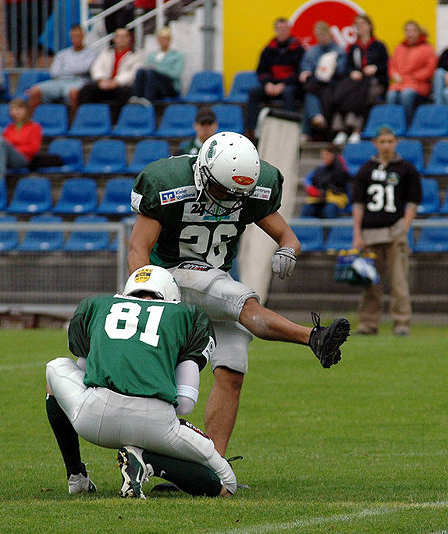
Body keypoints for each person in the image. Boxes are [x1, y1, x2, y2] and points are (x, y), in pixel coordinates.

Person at [128, 131, 350, 456]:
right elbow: (138, 247)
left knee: (233, 366)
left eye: (237, 193)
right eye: (221, 189)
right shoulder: (168, 183)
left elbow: (288, 236)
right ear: (204, 171)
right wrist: (146, 293)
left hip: (216, 278)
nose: (228, 199)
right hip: (170, 278)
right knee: (237, 297)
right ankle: (312, 337)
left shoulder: (248, 188)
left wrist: (287, 250)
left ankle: (213, 467)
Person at [45, 265, 237, 498]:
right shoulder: (187, 315)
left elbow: (84, 375)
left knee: (55, 368)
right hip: (156, 422)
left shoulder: (97, 306)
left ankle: (76, 477)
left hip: (95, 421)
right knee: (227, 483)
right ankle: (147, 459)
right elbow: (185, 403)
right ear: (170, 295)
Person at [351, 125, 421, 336]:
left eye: (390, 141)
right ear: (375, 144)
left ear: (396, 143)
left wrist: (404, 227)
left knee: (399, 281)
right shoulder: (366, 170)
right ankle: (368, 323)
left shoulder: (406, 169)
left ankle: (401, 323)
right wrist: (357, 234)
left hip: (394, 230)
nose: (387, 146)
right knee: (371, 282)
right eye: (383, 142)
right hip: (370, 232)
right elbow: (358, 204)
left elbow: (413, 202)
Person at [330, 13, 388, 145]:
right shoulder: (354, 47)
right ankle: (341, 130)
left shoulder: (379, 46)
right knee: (341, 94)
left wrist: (375, 68)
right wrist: (353, 72)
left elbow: (385, 66)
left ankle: (355, 129)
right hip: (357, 81)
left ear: (369, 26)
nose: (360, 27)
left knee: (360, 95)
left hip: (374, 81)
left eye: (362, 24)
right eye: (357, 25)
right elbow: (348, 67)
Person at [245, 17, 304, 140]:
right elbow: (261, 70)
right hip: (271, 86)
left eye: (285, 28)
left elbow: (299, 73)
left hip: (290, 86)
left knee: (289, 93)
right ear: (275, 30)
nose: (282, 31)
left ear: (289, 29)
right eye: (280, 29)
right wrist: (268, 84)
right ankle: (251, 131)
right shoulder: (268, 49)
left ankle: (289, 130)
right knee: (253, 93)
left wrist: (283, 84)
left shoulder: (298, 49)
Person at [74, 28, 142, 120]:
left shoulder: (137, 55)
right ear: (114, 39)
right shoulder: (106, 52)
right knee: (87, 89)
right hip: (104, 84)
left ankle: (117, 122)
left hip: (121, 86)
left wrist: (116, 82)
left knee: (124, 92)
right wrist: (101, 80)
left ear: (129, 39)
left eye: (124, 37)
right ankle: (85, 119)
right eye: (119, 36)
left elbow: (133, 72)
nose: (121, 39)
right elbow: (96, 67)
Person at [26, 25, 98, 110]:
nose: (75, 39)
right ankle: (31, 121)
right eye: (73, 36)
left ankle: (74, 121)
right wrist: (74, 69)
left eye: (78, 36)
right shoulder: (62, 54)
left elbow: (84, 68)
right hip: (59, 81)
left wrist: (65, 69)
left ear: (83, 36)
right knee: (35, 90)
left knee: (74, 93)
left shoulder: (92, 53)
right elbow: (54, 72)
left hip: (79, 81)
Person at [298, 21, 347, 141]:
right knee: (310, 90)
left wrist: (333, 66)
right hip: (316, 83)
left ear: (329, 34)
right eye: (319, 36)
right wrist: (305, 72)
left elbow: (342, 71)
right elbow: (306, 65)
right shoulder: (313, 51)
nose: (321, 38)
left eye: (323, 35)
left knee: (313, 92)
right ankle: (316, 117)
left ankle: (307, 130)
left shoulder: (339, 50)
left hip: (333, 83)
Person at [0, 98, 42, 180]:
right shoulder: (9, 128)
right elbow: (2, 146)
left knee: (0, 142)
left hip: (22, 158)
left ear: (26, 110)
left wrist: (12, 149)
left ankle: (0, 178)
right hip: (5, 157)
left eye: (19, 108)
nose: (16, 112)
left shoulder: (34, 127)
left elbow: (34, 148)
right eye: (13, 109)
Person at [386, 21, 437, 124]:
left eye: (413, 30)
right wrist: (394, 74)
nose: (410, 33)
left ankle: (408, 124)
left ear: (419, 32)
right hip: (400, 84)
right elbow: (392, 65)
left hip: (419, 84)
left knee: (406, 95)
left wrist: (414, 77)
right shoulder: (399, 48)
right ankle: (393, 124)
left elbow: (429, 69)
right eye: (407, 31)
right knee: (391, 95)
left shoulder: (427, 48)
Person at [128, 26, 184, 106]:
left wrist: (157, 69)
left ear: (170, 40)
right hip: (155, 85)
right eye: (161, 38)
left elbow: (175, 74)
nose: (163, 41)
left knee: (151, 72)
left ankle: (148, 98)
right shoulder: (152, 55)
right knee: (141, 71)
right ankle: (136, 96)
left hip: (169, 87)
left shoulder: (177, 55)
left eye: (166, 38)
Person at [301, 143, 351, 218]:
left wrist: (338, 160)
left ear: (334, 156)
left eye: (327, 154)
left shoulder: (340, 169)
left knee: (329, 209)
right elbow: (310, 181)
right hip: (319, 199)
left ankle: (329, 230)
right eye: (323, 155)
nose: (324, 157)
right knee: (307, 209)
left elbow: (342, 178)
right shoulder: (319, 170)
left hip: (336, 199)